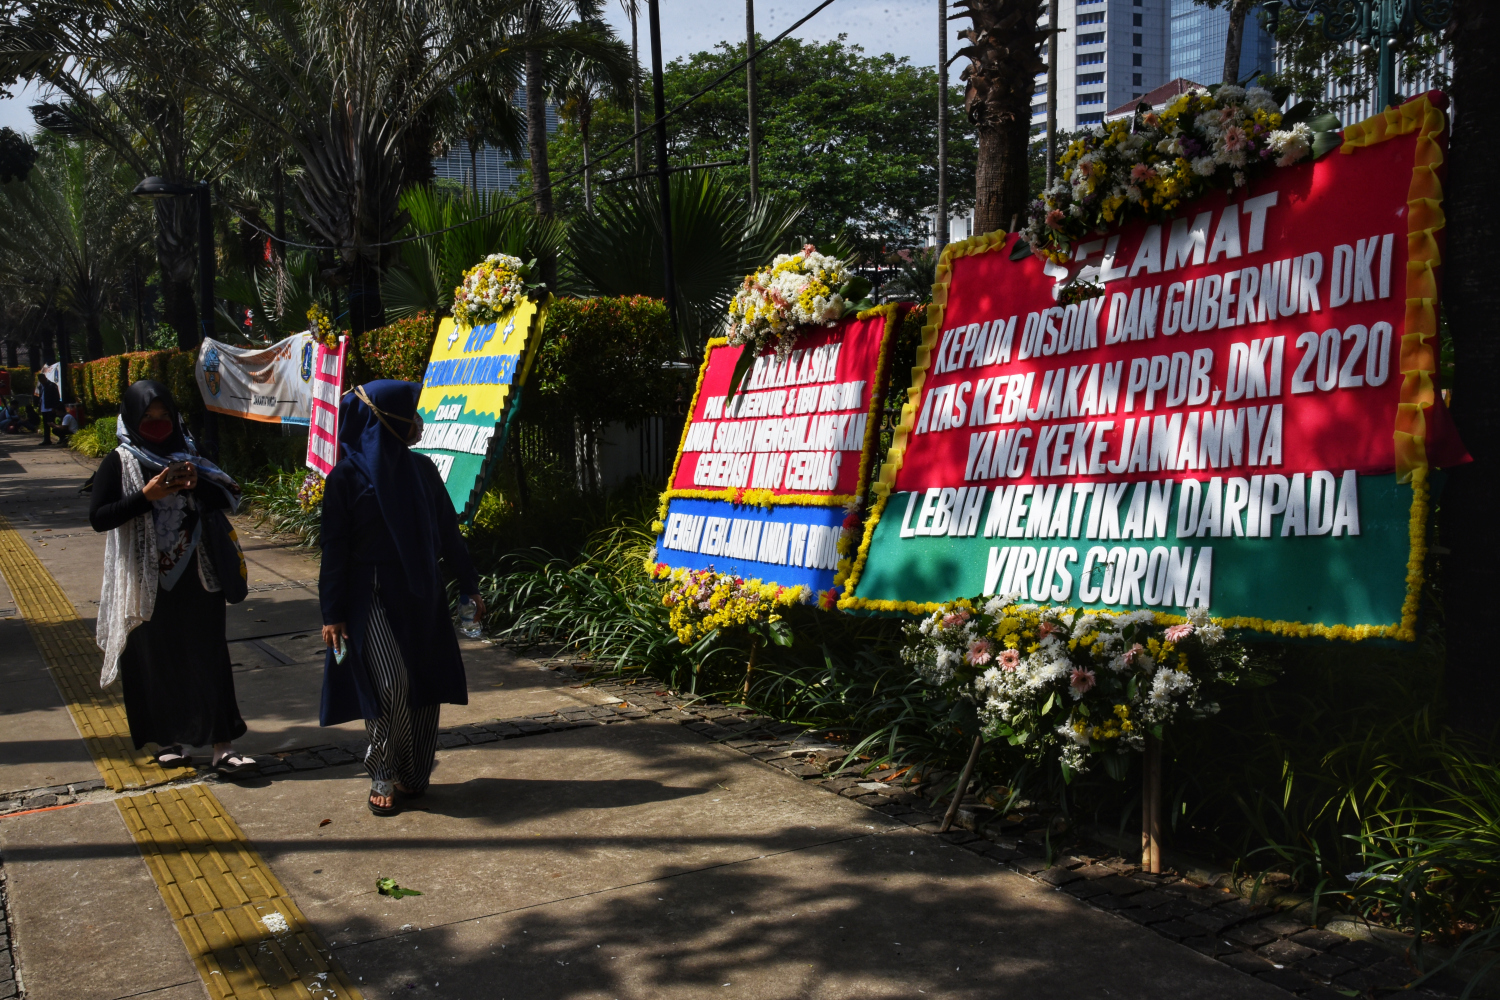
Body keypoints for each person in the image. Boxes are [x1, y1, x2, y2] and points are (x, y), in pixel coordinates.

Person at [318, 380, 483, 816]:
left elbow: (448, 532)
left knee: (425, 687)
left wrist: (469, 584)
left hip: (420, 592)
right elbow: (333, 548)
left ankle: (414, 772)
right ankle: (381, 771)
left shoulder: (423, 470)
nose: (418, 423)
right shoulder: (346, 477)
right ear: (386, 418)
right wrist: (332, 612)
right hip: (368, 596)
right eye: (410, 413)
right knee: (390, 684)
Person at [89, 380, 260, 777]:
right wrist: (145, 496)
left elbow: (229, 497)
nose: (158, 424)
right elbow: (100, 517)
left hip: (200, 578)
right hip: (148, 582)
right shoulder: (119, 461)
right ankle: (168, 740)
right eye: (148, 417)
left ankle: (223, 745)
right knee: (155, 659)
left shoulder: (191, 454)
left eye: (164, 416)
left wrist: (199, 484)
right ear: (132, 418)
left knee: (210, 657)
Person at [35, 372, 59, 445]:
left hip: (50, 408)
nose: (42, 382)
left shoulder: (52, 385)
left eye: (42, 380)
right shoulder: (41, 386)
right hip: (43, 407)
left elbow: (56, 397)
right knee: (46, 425)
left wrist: (54, 407)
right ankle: (46, 440)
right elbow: (40, 397)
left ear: (45, 378)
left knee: (52, 423)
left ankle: (61, 437)